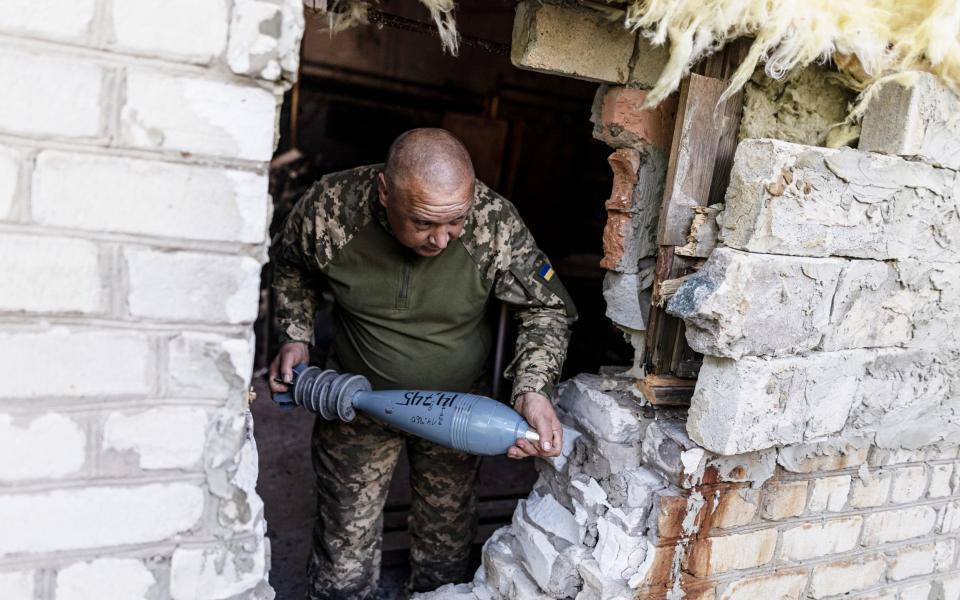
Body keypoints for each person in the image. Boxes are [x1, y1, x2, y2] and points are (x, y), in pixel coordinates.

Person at [268, 128, 576, 599]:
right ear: (385, 192)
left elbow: (546, 306)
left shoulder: (493, 224)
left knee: (446, 548)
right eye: (424, 222)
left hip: (458, 413)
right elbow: (290, 266)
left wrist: (532, 388)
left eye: (455, 221)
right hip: (354, 403)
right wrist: (295, 334)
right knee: (343, 546)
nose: (442, 239)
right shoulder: (330, 208)